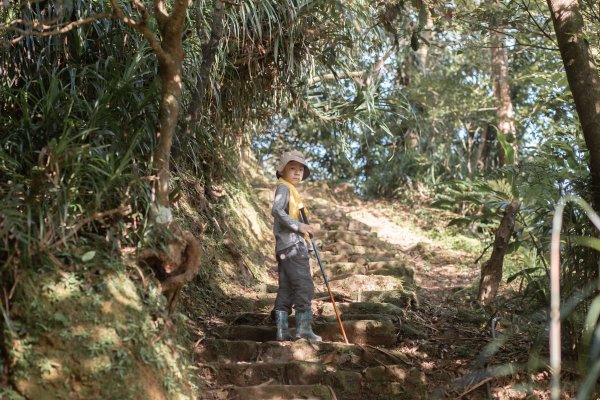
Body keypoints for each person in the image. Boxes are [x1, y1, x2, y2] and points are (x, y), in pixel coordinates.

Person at [271, 150, 322, 342]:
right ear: (282, 170)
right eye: (292, 168)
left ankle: (282, 330)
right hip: (292, 247)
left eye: (300, 169)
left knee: (287, 288)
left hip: (286, 247)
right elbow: (276, 210)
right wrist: (299, 226)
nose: (297, 172)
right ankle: (303, 329)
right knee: (304, 286)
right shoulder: (284, 188)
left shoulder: (290, 191)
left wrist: (306, 242)